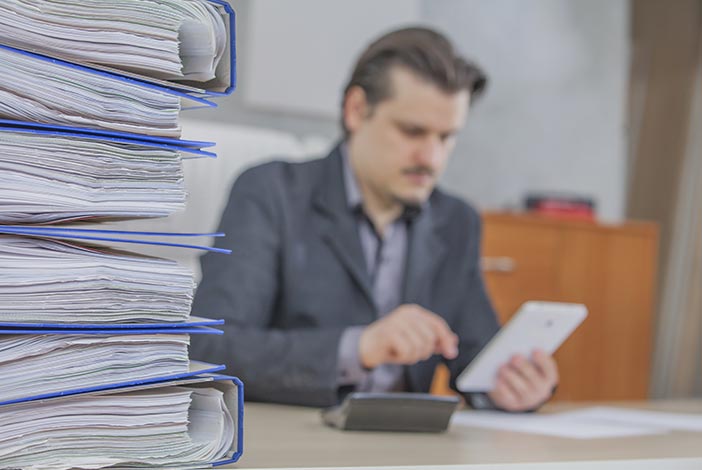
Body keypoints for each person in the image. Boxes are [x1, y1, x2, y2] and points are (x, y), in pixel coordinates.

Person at [191, 26, 558, 410]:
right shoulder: (271, 193)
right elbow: (210, 347)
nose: (432, 159)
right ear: (356, 110)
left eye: (447, 137)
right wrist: (358, 348)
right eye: (412, 131)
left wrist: (511, 384)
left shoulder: (456, 221)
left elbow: (477, 361)